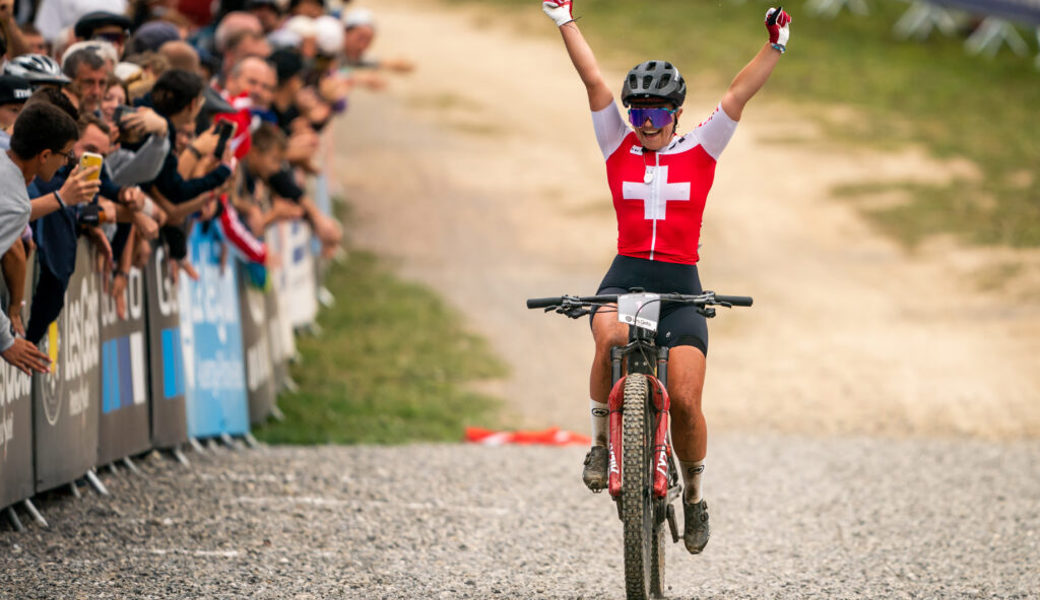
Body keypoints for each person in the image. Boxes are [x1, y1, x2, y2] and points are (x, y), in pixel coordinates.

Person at [541, 0, 791, 555]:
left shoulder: (703, 148)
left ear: (677, 114)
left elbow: (738, 93)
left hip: (681, 283)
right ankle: (603, 446)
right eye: (638, 114)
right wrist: (564, 19)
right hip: (627, 271)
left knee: (683, 399)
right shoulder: (617, 144)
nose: (646, 125)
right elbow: (592, 81)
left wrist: (775, 45)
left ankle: (695, 496)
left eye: (657, 115)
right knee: (607, 335)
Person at [1, 102, 80, 374]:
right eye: (66, 154)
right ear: (45, 155)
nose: (68, 161)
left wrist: (61, 198)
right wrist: (5, 339)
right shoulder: (15, 202)